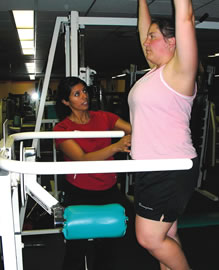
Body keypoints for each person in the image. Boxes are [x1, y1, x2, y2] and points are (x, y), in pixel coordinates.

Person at [128, 0, 199, 270]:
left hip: (171, 168)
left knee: (149, 239)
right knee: (166, 236)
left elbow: (184, 18)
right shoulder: (153, 73)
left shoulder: (180, 73)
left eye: (153, 37)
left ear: (172, 42)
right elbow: (142, 29)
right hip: (152, 167)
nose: (146, 41)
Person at [53, 76, 143, 270]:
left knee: (113, 241)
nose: (84, 96)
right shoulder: (62, 129)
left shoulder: (103, 117)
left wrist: (134, 135)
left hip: (108, 188)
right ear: (66, 102)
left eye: (84, 91)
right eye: (77, 94)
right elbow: (83, 159)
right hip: (80, 192)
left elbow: (135, 130)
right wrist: (116, 147)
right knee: (77, 248)